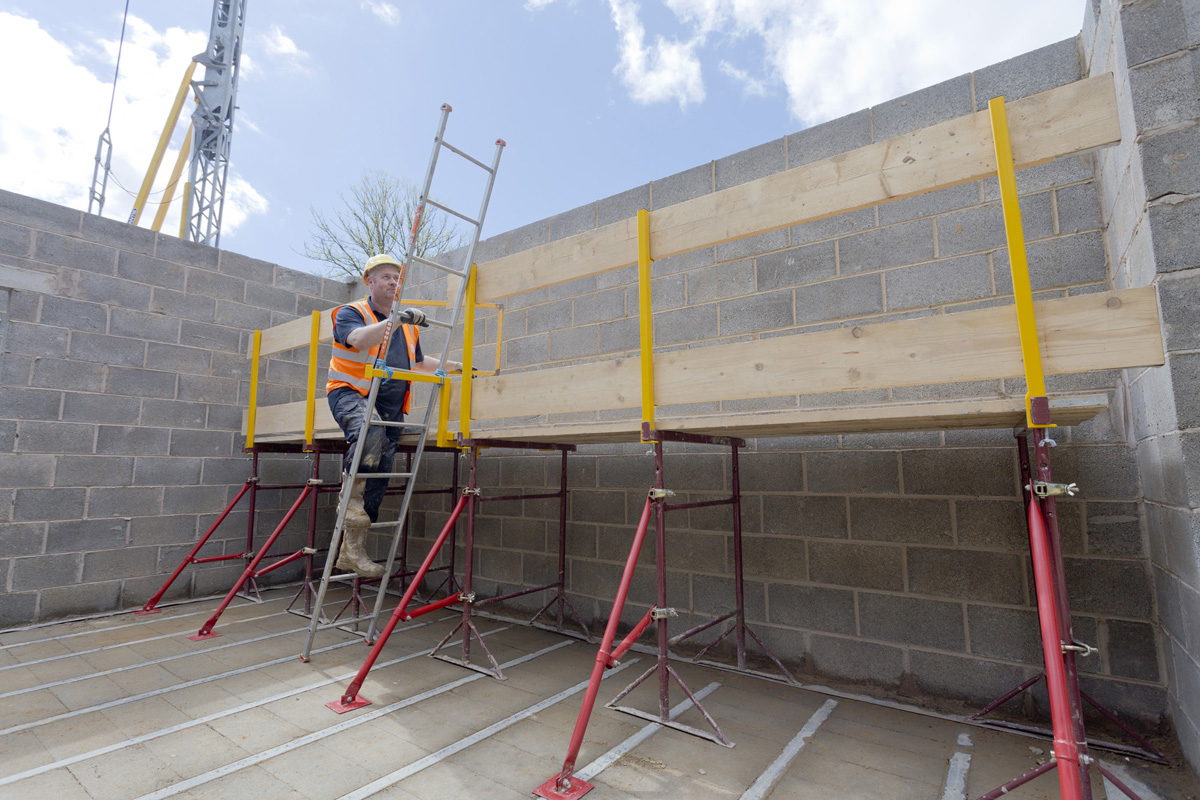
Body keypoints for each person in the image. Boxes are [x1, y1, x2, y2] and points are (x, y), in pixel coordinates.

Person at [326, 254, 463, 578]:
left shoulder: (406, 327)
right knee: (369, 433)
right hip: (352, 394)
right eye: (385, 276)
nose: (392, 282)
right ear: (369, 281)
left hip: (390, 407)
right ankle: (348, 502)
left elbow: (417, 363)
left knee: (380, 475)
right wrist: (396, 320)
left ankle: (352, 552)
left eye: (396, 277)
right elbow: (358, 339)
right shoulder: (352, 313)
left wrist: (458, 367)